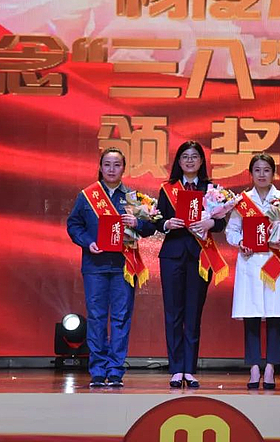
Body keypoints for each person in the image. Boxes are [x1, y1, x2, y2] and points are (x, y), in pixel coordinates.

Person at [66, 147, 156, 388]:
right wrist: (88, 242)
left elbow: (150, 227)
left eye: (117, 165)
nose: (112, 169)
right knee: (96, 318)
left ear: (124, 168)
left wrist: (137, 222)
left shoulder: (134, 198)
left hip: (124, 266)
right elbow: (74, 225)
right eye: (107, 164)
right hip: (95, 265)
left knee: (121, 318)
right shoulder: (87, 196)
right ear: (100, 167)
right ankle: (97, 370)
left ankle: (115, 370)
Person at [155, 141, 226, 389]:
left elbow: (221, 222)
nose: (189, 161)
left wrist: (210, 224)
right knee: (173, 313)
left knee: (194, 313)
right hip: (172, 254)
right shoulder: (167, 189)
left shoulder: (211, 190)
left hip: (200, 255)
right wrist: (167, 224)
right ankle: (176, 369)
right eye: (185, 156)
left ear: (201, 161)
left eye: (194, 156)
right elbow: (157, 219)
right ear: (178, 161)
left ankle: (189, 369)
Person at [225, 154, 280, 390]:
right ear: (250, 174)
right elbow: (231, 231)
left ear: (273, 173)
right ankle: (254, 366)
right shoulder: (242, 201)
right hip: (250, 261)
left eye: (266, 170)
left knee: (275, 315)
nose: (262, 174)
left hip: (275, 261)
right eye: (257, 170)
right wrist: (239, 242)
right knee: (252, 315)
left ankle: (271, 367)